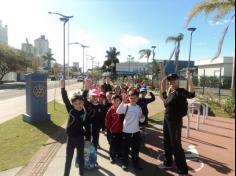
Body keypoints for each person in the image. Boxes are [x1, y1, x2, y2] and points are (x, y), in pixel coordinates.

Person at [158, 71, 195, 176]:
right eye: (170, 80)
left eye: (174, 80)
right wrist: (162, 83)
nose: (172, 82)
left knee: (176, 145)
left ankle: (183, 170)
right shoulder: (171, 93)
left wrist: (189, 79)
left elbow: (192, 94)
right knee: (166, 141)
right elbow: (164, 96)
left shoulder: (181, 91)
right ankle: (168, 162)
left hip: (175, 122)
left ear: (178, 80)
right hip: (166, 119)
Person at [61, 80, 90, 176]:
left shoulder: (84, 112)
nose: (78, 105)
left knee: (81, 158)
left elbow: (87, 125)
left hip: (80, 138)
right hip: (70, 139)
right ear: (73, 104)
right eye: (76, 104)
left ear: (83, 103)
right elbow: (65, 99)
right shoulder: (71, 110)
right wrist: (62, 88)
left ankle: (81, 174)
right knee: (68, 159)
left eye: (80, 103)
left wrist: (88, 138)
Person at [117, 89, 145, 171]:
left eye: (135, 98)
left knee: (135, 150)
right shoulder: (126, 106)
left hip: (136, 132)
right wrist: (123, 102)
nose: (133, 100)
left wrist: (143, 116)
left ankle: (135, 163)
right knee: (125, 149)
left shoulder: (139, 108)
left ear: (137, 99)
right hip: (126, 132)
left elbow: (142, 120)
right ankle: (125, 163)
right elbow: (118, 111)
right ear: (128, 98)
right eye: (131, 98)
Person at [105, 95, 123, 164]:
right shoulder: (110, 110)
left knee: (120, 144)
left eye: (118, 100)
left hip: (121, 131)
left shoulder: (123, 109)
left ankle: (119, 154)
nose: (116, 102)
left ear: (120, 101)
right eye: (114, 101)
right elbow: (107, 121)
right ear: (112, 101)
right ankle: (112, 156)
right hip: (113, 131)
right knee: (113, 145)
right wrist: (109, 130)